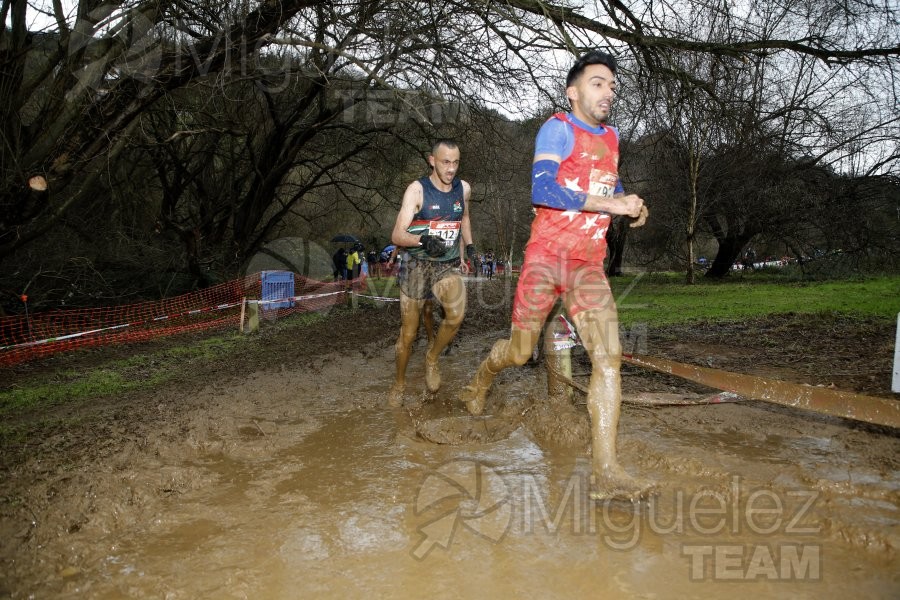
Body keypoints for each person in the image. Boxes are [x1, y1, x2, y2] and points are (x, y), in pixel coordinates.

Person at [459, 50, 651, 500]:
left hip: (587, 264)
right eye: (598, 83)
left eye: (612, 86)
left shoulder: (613, 138)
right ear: (574, 90)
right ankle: (482, 378)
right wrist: (612, 205)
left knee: (608, 358)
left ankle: (606, 472)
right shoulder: (558, 128)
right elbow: (542, 189)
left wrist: (630, 203)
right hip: (545, 260)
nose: (608, 92)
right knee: (520, 353)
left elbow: (607, 185)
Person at [389, 139, 475, 406]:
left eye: (456, 162)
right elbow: (397, 234)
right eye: (445, 162)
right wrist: (423, 240)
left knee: (457, 314)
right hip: (416, 265)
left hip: (446, 265)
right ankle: (399, 383)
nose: (451, 169)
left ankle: (432, 357)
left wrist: (469, 246)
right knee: (408, 335)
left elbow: (464, 219)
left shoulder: (464, 189)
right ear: (432, 161)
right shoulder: (417, 191)